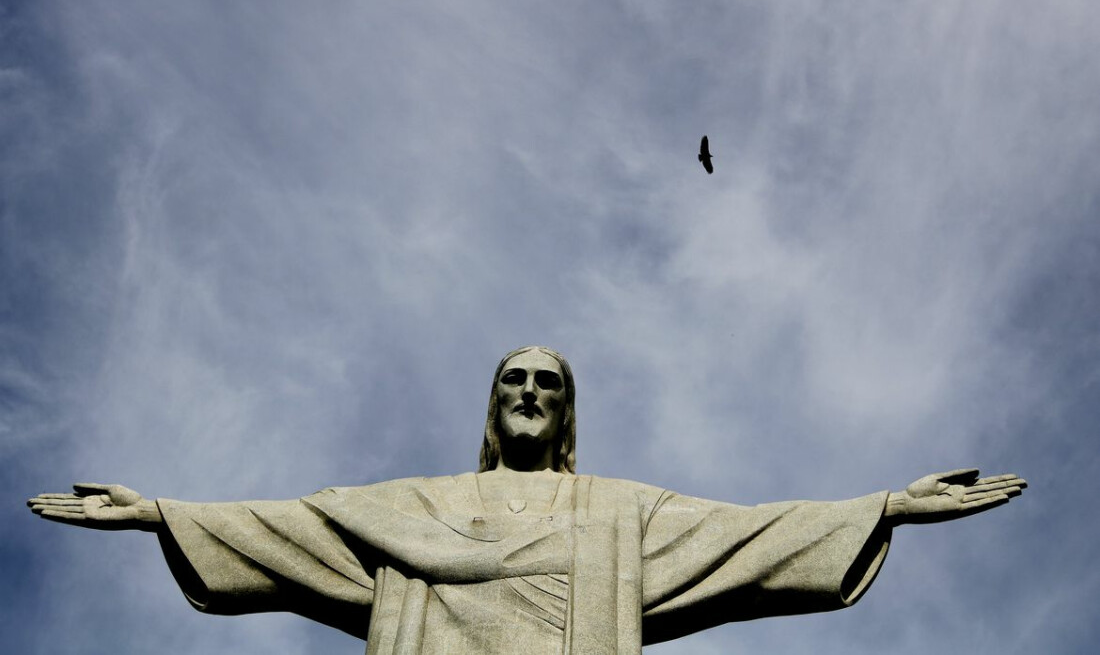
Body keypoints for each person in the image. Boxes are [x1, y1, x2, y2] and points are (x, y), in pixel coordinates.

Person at [28, 346, 1027, 654]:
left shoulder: (615, 511)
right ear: (491, 402)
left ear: (566, 413)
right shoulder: (414, 501)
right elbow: (299, 526)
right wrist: (162, 511)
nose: (529, 395)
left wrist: (886, 505)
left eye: (549, 385)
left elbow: (742, 535)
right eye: (513, 379)